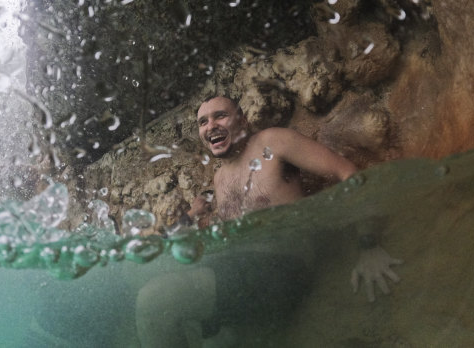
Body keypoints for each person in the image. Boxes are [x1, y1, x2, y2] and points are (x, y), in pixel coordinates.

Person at [136, 95, 402, 347]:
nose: (210, 126)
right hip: (240, 273)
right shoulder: (220, 178)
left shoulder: (273, 142)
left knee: (154, 300)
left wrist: (368, 243)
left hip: (283, 269)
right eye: (203, 122)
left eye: (220, 116)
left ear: (242, 120)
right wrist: (193, 216)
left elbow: (347, 172)